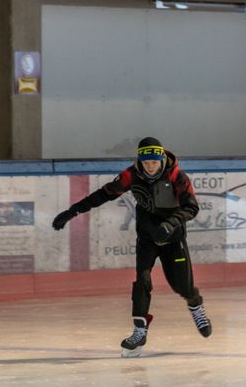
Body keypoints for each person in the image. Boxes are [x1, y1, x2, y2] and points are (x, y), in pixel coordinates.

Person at [51, 137, 212, 355]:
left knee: (182, 286)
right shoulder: (131, 175)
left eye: (154, 162)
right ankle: (139, 330)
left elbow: (191, 208)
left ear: (162, 159)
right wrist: (73, 211)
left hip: (172, 237)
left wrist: (170, 223)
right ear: (140, 161)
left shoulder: (176, 176)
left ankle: (195, 306)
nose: (150, 167)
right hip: (146, 236)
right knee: (142, 280)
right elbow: (103, 194)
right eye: (146, 163)